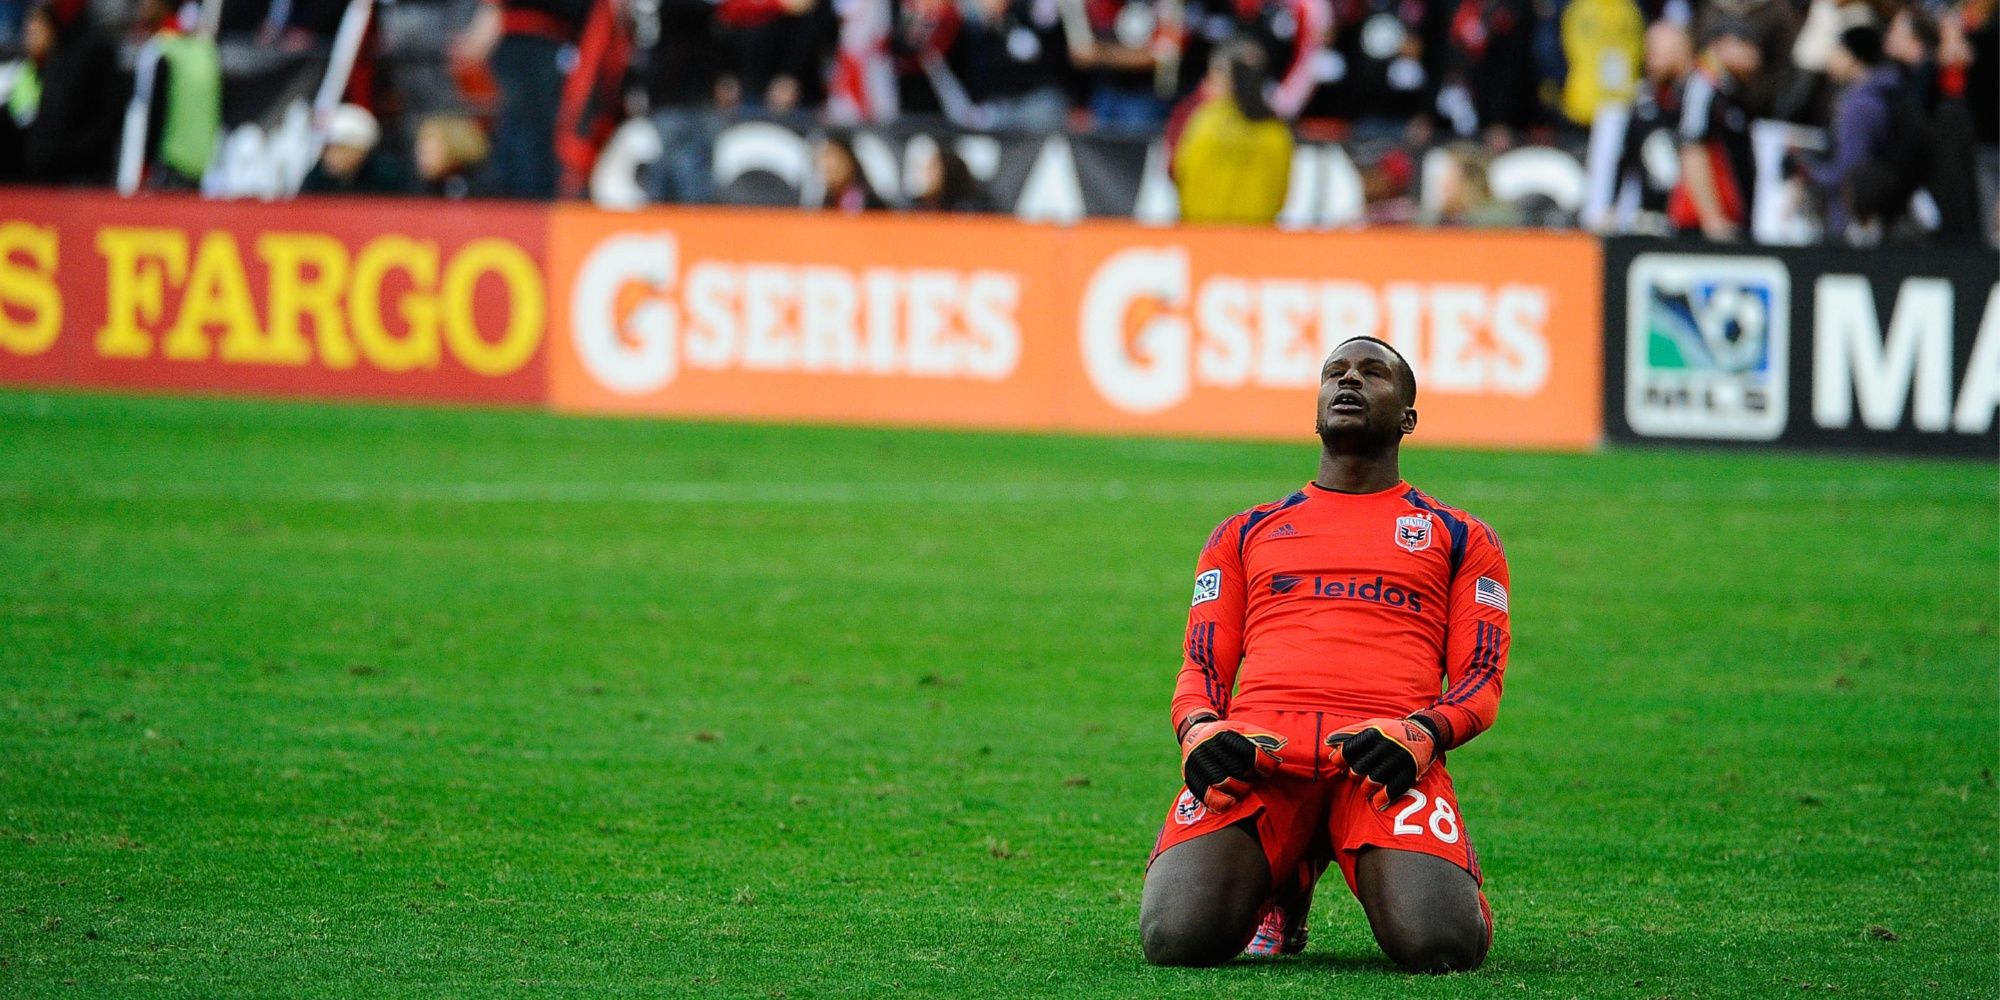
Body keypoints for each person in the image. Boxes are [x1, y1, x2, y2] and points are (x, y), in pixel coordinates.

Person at [1140, 336, 1510, 970]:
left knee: (1440, 946)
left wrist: (1420, 734)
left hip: (1383, 758)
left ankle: (1317, 859)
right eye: (1335, 372)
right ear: (1315, 406)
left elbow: (1480, 678)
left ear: (1409, 419)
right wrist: (1200, 731)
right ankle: (1288, 877)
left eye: (1373, 374)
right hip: (1261, 756)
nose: (1349, 381)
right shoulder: (1243, 531)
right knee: (1176, 939)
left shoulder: (1461, 536)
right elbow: (1202, 666)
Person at [1800, 24, 1903, 242]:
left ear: (1854, 57)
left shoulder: (1861, 104)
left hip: (1851, 218)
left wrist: (1808, 172)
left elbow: (1850, 167)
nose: (1831, 58)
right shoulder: (1878, 95)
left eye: (1838, 51)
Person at [1171, 41, 1292, 225]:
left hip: (1202, 233)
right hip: (1257, 237)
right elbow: (1281, 193)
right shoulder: (1275, 130)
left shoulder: (1203, 121)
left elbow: (1177, 171)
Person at [1670, 19, 1760, 241]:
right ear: (1720, 45)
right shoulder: (1702, 84)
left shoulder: (1729, 89)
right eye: (1745, 43)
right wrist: (1711, 216)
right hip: (1700, 224)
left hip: (1729, 218)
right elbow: (1692, 147)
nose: (1755, 52)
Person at [300, 103, 412, 195]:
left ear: (361, 150)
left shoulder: (387, 177)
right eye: (328, 148)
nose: (331, 155)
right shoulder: (319, 176)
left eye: (340, 148)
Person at [815, 132, 885, 211]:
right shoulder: (824, 202)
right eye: (827, 170)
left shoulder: (870, 202)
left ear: (850, 160)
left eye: (836, 159)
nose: (828, 164)